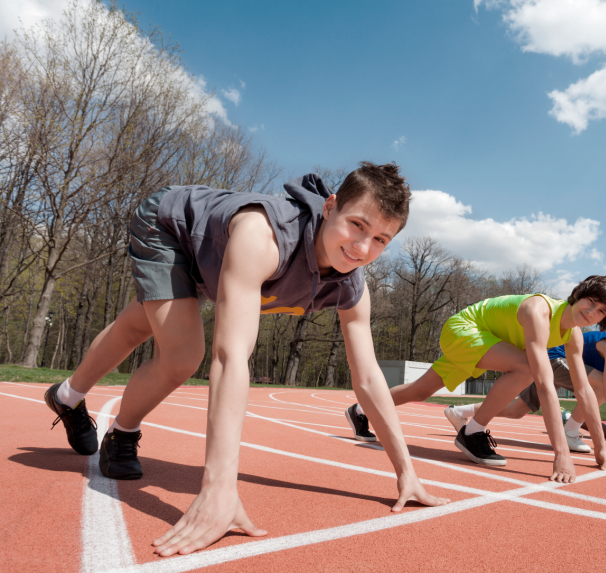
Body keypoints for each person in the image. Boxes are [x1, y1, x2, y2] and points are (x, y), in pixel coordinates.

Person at [44, 162, 448, 557]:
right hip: (171, 228)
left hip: (214, 261)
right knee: (184, 355)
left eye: (381, 240)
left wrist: (405, 471)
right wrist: (219, 488)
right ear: (329, 207)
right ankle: (122, 435)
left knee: (137, 325)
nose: (362, 248)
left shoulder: (352, 284)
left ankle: (66, 396)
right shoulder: (264, 236)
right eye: (357, 224)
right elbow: (230, 356)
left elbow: (369, 377)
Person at [348, 276, 606, 482]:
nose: (591, 312)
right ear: (578, 295)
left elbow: (585, 391)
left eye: (601, 311)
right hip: (465, 330)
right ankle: (472, 432)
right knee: (527, 368)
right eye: (591, 302)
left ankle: (360, 409)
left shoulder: (574, 335)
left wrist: (602, 451)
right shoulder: (539, 310)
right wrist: (561, 453)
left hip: (488, 342)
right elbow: (544, 385)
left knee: (420, 391)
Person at [447, 323, 606, 463]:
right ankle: (570, 431)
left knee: (516, 411)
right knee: (604, 387)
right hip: (555, 358)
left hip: (566, 366)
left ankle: (458, 412)